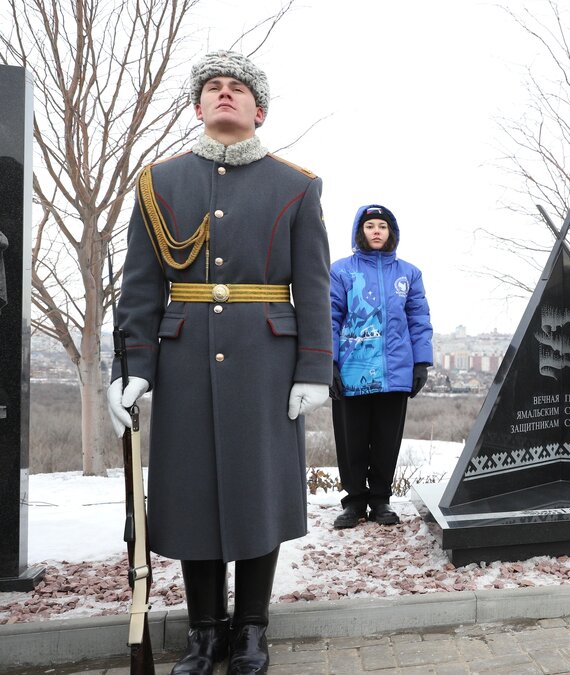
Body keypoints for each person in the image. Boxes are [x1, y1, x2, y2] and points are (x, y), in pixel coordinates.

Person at [106, 50, 331, 674]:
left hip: (267, 362)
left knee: (259, 492)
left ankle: (251, 629)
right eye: (213, 87)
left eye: (238, 88)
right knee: (192, 494)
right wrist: (133, 365)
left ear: (260, 110)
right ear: (197, 105)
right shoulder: (158, 183)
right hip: (183, 361)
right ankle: (205, 633)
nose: (225, 93)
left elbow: (313, 285)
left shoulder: (297, 185)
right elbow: (141, 285)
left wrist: (315, 368)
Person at [329, 204, 433, 529]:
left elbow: (419, 319)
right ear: (360, 231)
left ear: (391, 232)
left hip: (395, 371)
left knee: (387, 440)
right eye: (370, 225)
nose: (377, 231)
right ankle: (354, 502)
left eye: (383, 226)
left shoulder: (409, 274)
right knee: (352, 440)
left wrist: (421, 362)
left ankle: (380, 500)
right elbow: (329, 316)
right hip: (351, 370)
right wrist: (328, 361)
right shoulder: (341, 271)